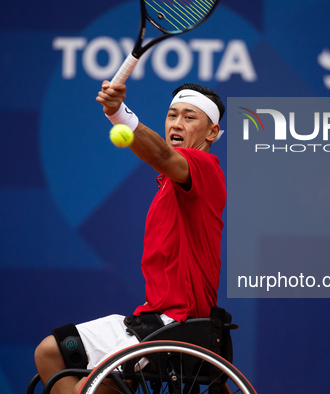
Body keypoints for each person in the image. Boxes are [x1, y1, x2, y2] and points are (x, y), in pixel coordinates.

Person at [34, 80, 227, 394]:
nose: (177, 123)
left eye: (189, 117)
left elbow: (162, 155)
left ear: (212, 132)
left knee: (89, 388)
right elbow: (164, 159)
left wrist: (118, 113)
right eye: (172, 114)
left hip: (178, 322)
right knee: (49, 353)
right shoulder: (169, 183)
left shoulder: (205, 168)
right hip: (148, 318)